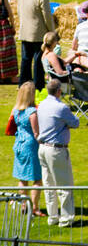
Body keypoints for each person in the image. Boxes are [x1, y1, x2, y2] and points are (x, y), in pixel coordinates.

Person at [36, 78, 78, 227]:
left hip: (42, 148)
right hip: (56, 149)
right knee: (64, 185)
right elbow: (75, 123)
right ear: (59, 91)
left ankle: (52, 216)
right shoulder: (61, 107)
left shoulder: (41, 105)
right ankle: (66, 218)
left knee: (49, 185)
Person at [17, 0, 55, 90]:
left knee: (25, 59)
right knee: (38, 60)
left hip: (25, 30)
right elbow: (47, 15)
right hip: (38, 32)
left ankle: (23, 83)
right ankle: (38, 85)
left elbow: (18, 10)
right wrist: (52, 31)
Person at [11, 82, 44, 214]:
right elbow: (36, 133)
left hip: (19, 143)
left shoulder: (16, 110)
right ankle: (34, 207)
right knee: (37, 177)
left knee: (22, 178)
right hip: (31, 146)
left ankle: (23, 205)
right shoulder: (32, 112)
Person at [0, 0, 17, 83]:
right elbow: (10, 13)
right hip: (3, 26)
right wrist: (13, 26)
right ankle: (10, 76)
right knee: (8, 50)